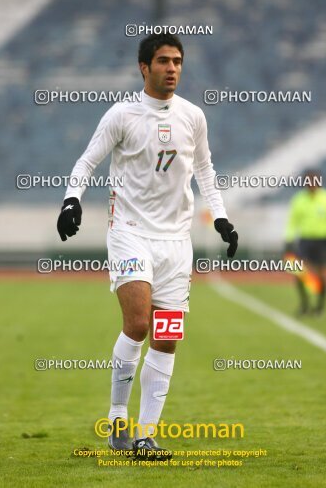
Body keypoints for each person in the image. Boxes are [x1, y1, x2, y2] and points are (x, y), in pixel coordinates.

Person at [57, 33, 238, 459]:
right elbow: (87, 161)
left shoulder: (193, 116)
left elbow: (206, 169)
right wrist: (71, 199)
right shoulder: (122, 115)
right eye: (163, 61)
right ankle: (118, 414)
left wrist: (223, 217)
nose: (172, 68)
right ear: (145, 67)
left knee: (168, 336)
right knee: (138, 323)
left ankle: (145, 435)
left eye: (177, 61)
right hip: (131, 231)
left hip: (177, 240)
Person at [285, 170, 326, 317]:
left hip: (323, 240)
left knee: (320, 274)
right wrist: (289, 239)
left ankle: (320, 307)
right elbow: (292, 221)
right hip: (305, 240)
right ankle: (305, 304)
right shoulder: (299, 199)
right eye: (309, 181)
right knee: (298, 272)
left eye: (315, 181)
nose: (312, 184)